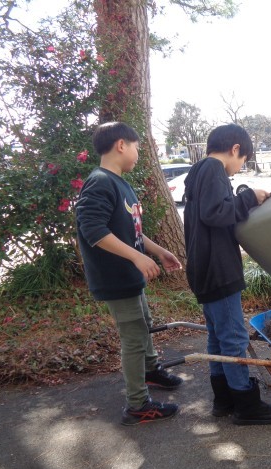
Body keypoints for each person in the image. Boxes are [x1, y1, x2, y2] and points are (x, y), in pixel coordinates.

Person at [76, 121, 184, 426]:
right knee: (134, 337)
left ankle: (150, 371)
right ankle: (137, 405)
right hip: (115, 277)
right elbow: (93, 230)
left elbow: (130, 230)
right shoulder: (100, 182)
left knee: (143, 325)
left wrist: (157, 250)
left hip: (129, 275)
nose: (138, 153)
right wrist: (136, 257)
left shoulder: (120, 183)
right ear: (121, 145)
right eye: (137, 146)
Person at [183, 123, 271, 426]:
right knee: (234, 338)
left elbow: (210, 214)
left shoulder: (197, 171)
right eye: (243, 160)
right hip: (219, 271)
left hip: (203, 269)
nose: (240, 167)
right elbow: (216, 212)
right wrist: (250, 197)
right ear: (235, 149)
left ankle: (224, 399)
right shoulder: (214, 169)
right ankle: (245, 404)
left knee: (217, 338)